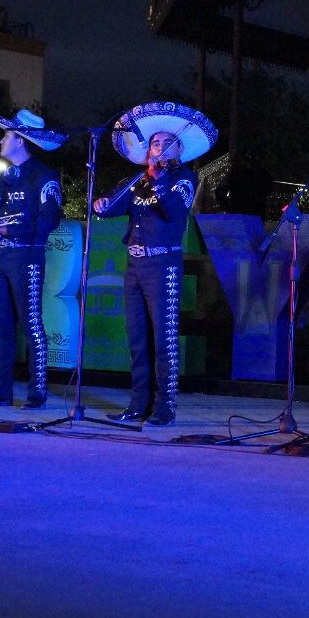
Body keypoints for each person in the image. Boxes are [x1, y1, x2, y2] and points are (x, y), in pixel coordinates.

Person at [93, 102, 216, 427]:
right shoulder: (136, 182)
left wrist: (158, 179)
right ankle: (137, 404)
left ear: (178, 150)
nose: (158, 147)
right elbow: (109, 211)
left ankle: (165, 407)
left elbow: (175, 211)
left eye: (165, 143)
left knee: (164, 338)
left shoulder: (183, 179)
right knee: (137, 338)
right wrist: (103, 202)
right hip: (134, 266)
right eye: (154, 143)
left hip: (163, 264)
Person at [0, 108, 65, 408]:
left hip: (26, 257)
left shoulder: (44, 176)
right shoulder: (6, 178)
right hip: (0, 257)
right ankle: (0, 390)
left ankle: (37, 392)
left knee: (32, 324)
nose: (1, 140)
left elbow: (49, 219)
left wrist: (12, 228)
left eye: (6, 136)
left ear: (21, 141)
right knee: (1, 326)